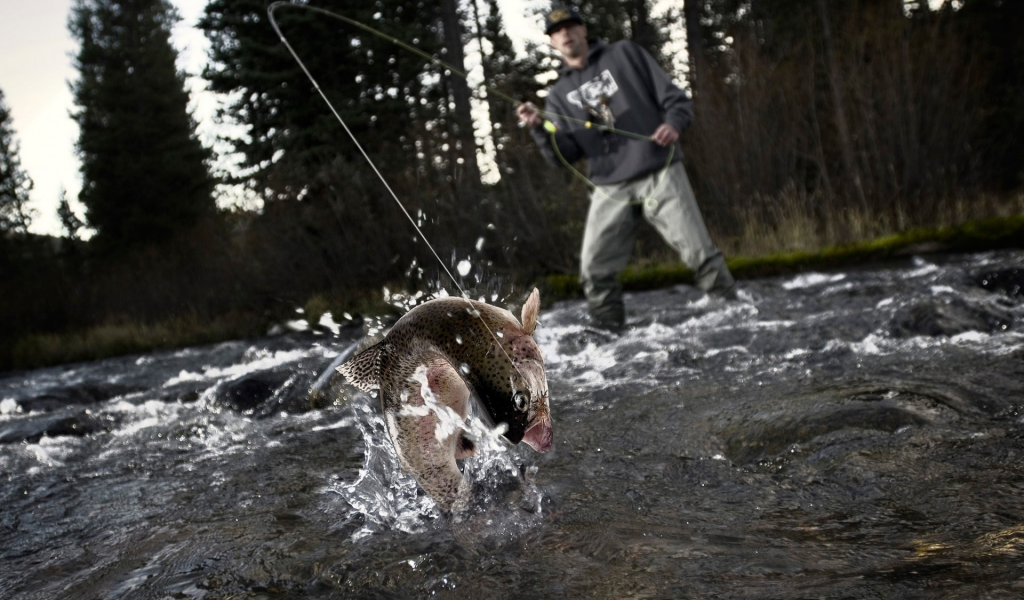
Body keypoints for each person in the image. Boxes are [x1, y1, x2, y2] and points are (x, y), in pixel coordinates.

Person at [517, 6, 736, 330]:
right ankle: (612, 341)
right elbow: (564, 154)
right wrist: (538, 128)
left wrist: (673, 125)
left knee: (701, 255)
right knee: (595, 273)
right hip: (609, 186)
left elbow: (677, 100)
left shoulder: (625, 54)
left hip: (658, 169)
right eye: (556, 31)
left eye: (570, 26)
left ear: (583, 30)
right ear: (552, 42)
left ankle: (736, 319)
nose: (564, 33)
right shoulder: (558, 95)